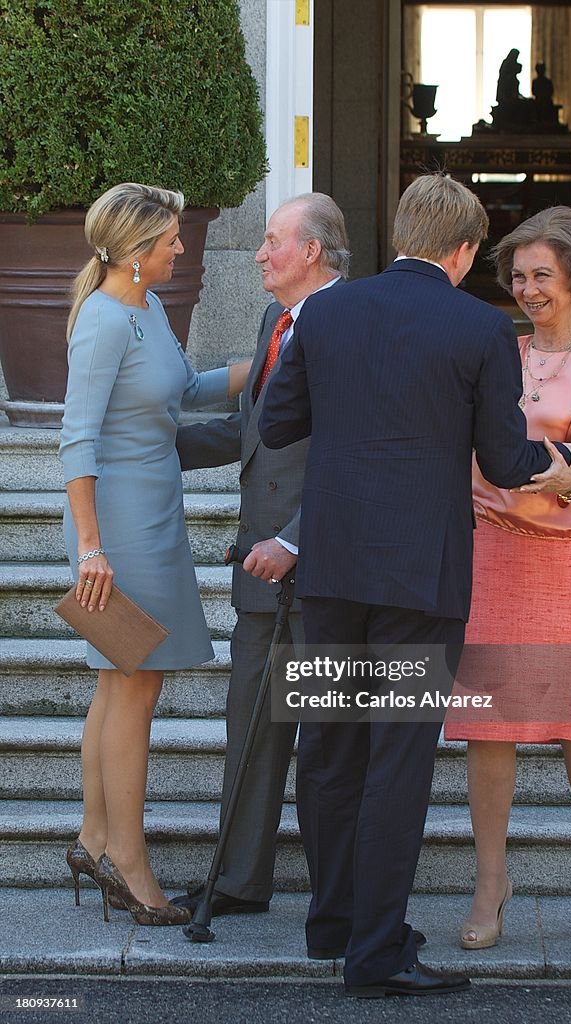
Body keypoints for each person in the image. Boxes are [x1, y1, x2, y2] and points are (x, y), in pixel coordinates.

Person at [258, 174, 571, 997]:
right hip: (419, 574)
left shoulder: (328, 310)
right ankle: (375, 953)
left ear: (400, 231)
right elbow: (500, 459)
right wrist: (562, 469)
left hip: (330, 565)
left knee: (331, 747)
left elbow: (276, 424)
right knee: (396, 760)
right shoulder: (478, 326)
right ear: (466, 249)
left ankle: (330, 924)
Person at [60, 182, 249, 926]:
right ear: (139, 251)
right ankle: (128, 863)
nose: (181, 247)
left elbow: (186, 391)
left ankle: (95, 838)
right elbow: (75, 438)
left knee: (119, 685)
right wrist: (91, 548)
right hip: (118, 529)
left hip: (153, 513)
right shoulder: (104, 321)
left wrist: (267, 357)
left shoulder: (149, 308)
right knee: (135, 684)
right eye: (171, 239)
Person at [444, 206, 571, 949]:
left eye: (541, 276)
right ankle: (491, 882)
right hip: (491, 551)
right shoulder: (498, 347)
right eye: (516, 276)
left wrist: (516, 467)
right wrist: (541, 466)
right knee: (488, 724)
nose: (526, 289)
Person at [171, 194, 350, 921]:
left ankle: (340, 901)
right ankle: (239, 882)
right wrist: (146, 449)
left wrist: (298, 538)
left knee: (330, 751)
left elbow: (355, 454)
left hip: (326, 569)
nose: (257, 252)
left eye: (272, 240)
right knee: (249, 727)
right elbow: (250, 431)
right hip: (257, 574)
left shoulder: (351, 324)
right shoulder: (274, 322)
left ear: (310, 251)